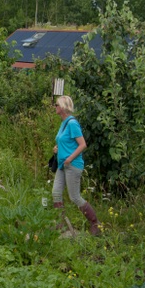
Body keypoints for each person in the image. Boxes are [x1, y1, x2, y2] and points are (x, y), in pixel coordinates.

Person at [52, 95, 100, 235]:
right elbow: (66, 142)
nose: (55, 107)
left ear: (63, 107)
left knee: (74, 197)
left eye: (56, 105)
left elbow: (82, 144)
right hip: (62, 165)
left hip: (72, 165)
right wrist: (58, 148)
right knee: (56, 193)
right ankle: (60, 225)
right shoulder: (63, 123)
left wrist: (69, 159)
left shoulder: (72, 123)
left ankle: (95, 223)